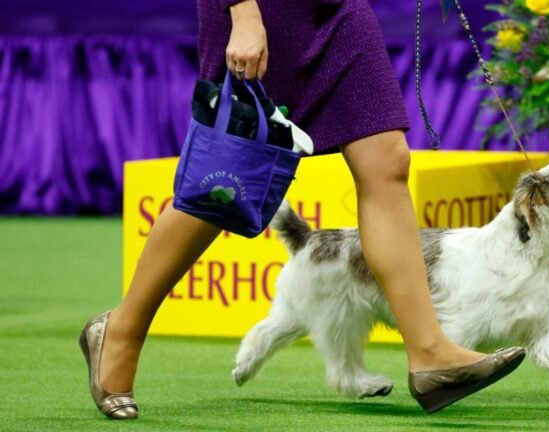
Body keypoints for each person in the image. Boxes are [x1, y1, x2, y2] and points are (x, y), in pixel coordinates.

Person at [79, 0, 524, 419]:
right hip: (263, 12)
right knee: (226, 182)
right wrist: (243, 11)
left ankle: (429, 353)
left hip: (338, 11)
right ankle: (122, 329)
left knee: (388, 161)